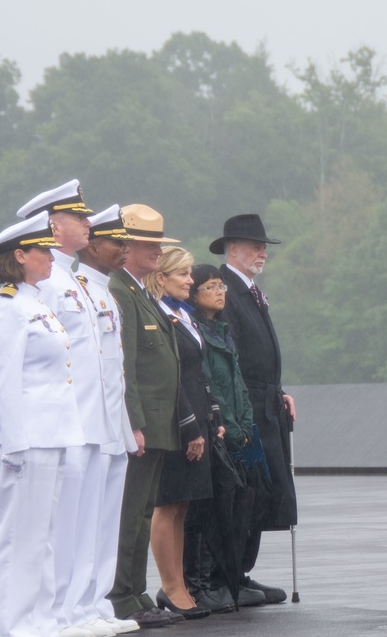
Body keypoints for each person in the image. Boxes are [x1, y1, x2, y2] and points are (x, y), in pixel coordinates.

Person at [16, 181, 117, 637]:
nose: (88, 224)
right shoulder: (46, 282)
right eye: (80, 218)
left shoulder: (74, 278)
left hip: (92, 420)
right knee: (62, 527)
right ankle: (59, 613)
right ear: (53, 226)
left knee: (88, 524)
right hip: (64, 421)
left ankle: (83, 607)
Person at [0, 212, 85, 637]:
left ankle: (40, 622)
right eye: (43, 249)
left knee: (40, 537)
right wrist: (14, 444)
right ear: (21, 255)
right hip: (23, 436)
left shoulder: (33, 302)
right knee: (18, 538)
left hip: (49, 433)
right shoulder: (6, 307)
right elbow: (3, 382)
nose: (51, 256)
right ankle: (11, 627)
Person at [108, 204, 190, 628]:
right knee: (130, 513)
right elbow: (126, 367)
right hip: (144, 423)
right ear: (128, 246)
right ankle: (123, 595)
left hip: (158, 423)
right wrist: (134, 422)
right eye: (150, 244)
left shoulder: (137, 289)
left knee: (142, 512)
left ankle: (136, 592)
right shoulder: (119, 291)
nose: (159, 252)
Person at [208, 214, 295, 604]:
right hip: (244, 408)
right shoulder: (224, 290)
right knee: (241, 492)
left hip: (264, 402)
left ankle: (241, 572)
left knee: (259, 492)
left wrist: (278, 392)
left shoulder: (250, 291)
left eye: (263, 246)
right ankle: (224, 576)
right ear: (232, 249)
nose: (262, 252)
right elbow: (232, 358)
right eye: (253, 245)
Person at [74, 206, 141, 636]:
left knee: (103, 524)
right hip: (83, 424)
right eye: (116, 242)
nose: (123, 250)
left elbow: (114, 368)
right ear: (92, 245)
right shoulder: (75, 289)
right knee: (78, 525)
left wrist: (122, 426)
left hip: (109, 424)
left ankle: (94, 605)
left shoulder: (104, 292)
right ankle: (74, 611)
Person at [144, 246, 214, 621]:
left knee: (183, 505)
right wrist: (189, 425)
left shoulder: (181, 315)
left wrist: (211, 417)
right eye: (183, 274)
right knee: (167, 504)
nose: (191, 280)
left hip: (197, 418)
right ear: (161, 278)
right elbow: (167, 377)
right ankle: (170, 585)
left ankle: (179, 584)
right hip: (175, 421)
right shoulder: (161, 315)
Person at [188, 262, 257, 612]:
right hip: (217, 430)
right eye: (210, 286)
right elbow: (210, 385)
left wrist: (245, 424)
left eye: (221, 286)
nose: (219, 292)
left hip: (237, 430)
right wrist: (228, 426)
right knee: (209, 512)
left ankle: (230, 578)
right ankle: (202, 584)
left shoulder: (222, 329)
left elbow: (237, 383)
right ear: (194, 293)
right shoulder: (196, 329)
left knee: (239, 508)